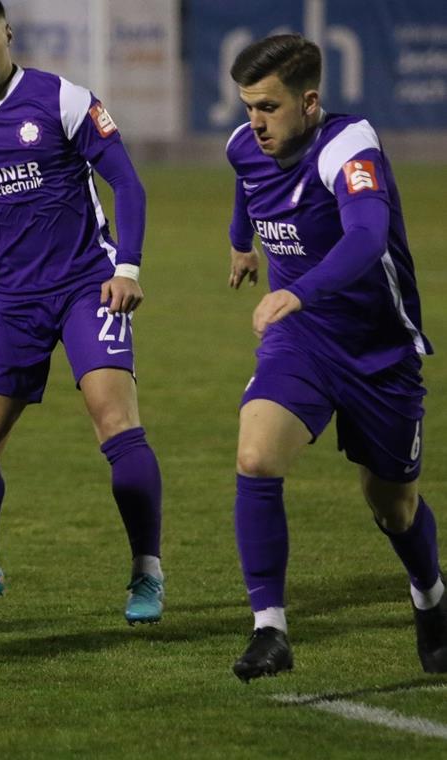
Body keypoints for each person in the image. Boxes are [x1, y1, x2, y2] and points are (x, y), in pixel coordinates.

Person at [0, 0, 164, 631]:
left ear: (8, 34)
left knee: (116, 423)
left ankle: (147, 570)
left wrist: (128, 269)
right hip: (9, 299)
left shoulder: (63, 99)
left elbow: (127, 184)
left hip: (88, 283)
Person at [225, 34, 446, 681]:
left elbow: (367, 235)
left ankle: (430, 594)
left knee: (393, 506)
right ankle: (270, 631)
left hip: (380, 351)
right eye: (247, 107)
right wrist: (241, 245)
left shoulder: (348, 148)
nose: (255, 122)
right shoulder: (246, 147)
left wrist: (297, 288)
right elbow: (246, 184)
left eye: (268, 107)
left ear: (310, 102)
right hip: (304, 340)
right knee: (255, 455)